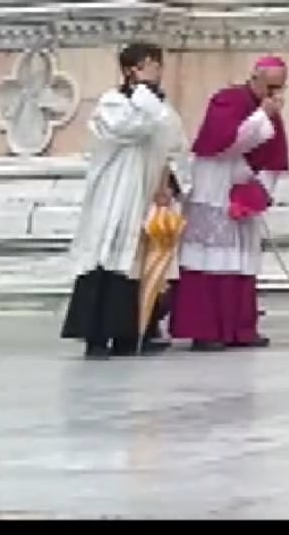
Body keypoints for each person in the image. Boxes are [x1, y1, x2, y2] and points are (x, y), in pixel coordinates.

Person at [62, 42, 186, 359]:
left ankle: (131, 333)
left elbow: (174, 144)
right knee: (107, 255)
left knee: (138, 262)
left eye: (159, 64)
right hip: (116, 192)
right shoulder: (113, 102)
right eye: (150, 64)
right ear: (132, 70)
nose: (157, 70)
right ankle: (97, 335)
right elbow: (130, 129)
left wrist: (167, 183)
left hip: (145, 192)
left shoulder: (160, 107)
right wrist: (145, 97)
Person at [171, 56, 289, 351]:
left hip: (242, 188)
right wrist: (262, 116)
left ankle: (240, 329)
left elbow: (274, 156)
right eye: (272, 86)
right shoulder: (227, 100)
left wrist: (259, 192)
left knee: (240, 259)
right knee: (209, 257)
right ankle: (205, 331)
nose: (276, 93)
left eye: (281, 86)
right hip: (214, 185)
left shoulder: (269, 110)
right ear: (256, 78)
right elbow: (226, 143)